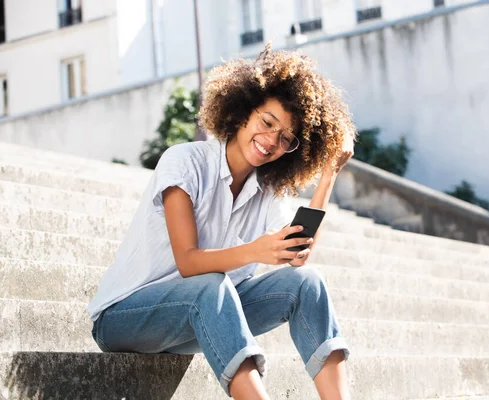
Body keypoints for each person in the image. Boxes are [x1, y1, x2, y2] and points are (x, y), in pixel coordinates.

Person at [87, 44, 356, 399]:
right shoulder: (185, 163)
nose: (271, 140)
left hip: (199, 321)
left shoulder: (266, 192)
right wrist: (255, 251)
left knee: (307, 282)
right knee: (209, 285)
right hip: (125, 319)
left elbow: (297, 256)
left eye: (285, 138)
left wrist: (327, 177)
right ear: (244, 111)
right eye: (267, 122)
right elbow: (188, 262)